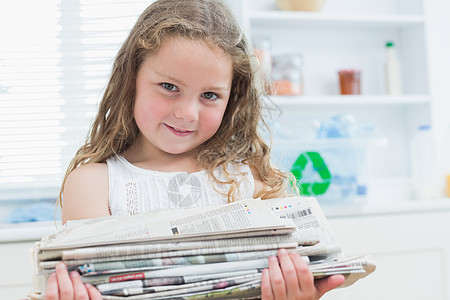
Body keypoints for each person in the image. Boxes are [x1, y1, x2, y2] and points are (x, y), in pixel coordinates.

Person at [44, 0, 345, 299]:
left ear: (232, 99)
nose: (187, 113)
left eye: (210, 95)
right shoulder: (94, 185)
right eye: (169, 87)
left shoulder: (251, 178)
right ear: (131, 78)